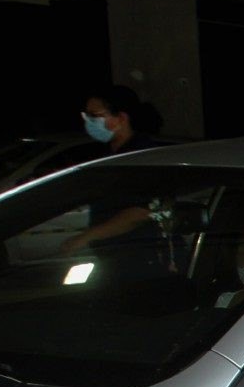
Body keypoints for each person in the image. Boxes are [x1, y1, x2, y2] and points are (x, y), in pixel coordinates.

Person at [60, 86, 166, 262]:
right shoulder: (114, 156)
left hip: (141, 258)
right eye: (86, 116)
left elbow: (139, 213)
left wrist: (85, 237)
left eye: (94, 116)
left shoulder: (140, 157)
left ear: (121, 118)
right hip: (116, 256)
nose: (88, 121)